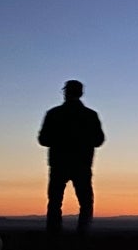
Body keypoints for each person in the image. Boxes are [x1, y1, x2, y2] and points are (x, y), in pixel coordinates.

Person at [39, 80, 105, 236]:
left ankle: (53, 236)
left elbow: (43, 140)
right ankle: (83, 235)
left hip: (59, 164)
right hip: (81, 164)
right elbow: (99, 140)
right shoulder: (90, 115)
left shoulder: (54, 114)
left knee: (55, 202)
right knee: (86, 202)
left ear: (65, 92)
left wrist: (60, 140)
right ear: (81, 93)